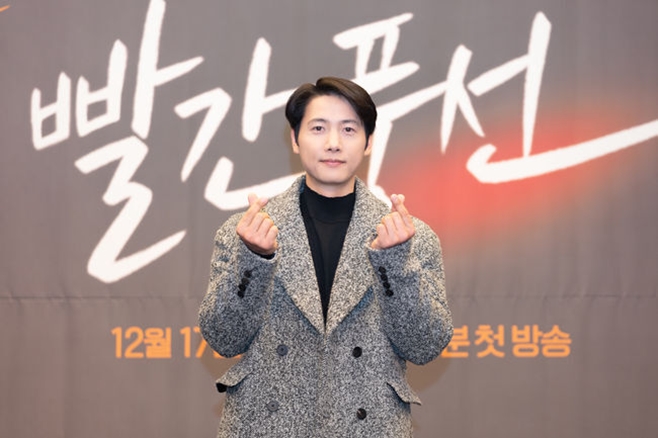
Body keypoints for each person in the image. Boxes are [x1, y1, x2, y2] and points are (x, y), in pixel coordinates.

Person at [199, 77, 452, 438]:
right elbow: (223, 338)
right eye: (318, 128)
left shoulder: (410, 237)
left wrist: (395, 264)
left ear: (368, 142)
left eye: (349, 129)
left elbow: (424, 345)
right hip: (264, 427)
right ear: (295, 138)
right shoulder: (247, 231)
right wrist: (253, 259)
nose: (333, 143)